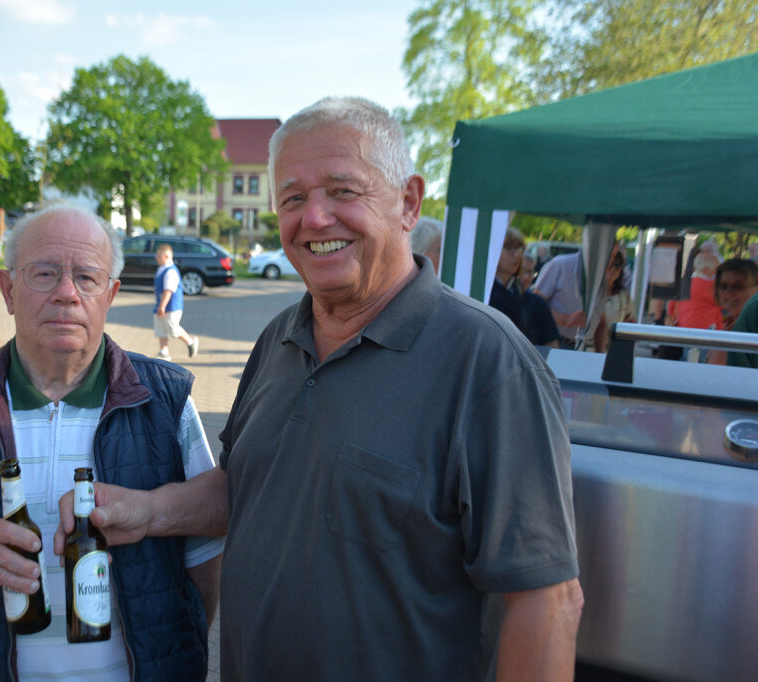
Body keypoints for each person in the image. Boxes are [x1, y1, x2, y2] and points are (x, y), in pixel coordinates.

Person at [61, 97, 583, 681]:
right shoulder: (279, 336)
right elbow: (247, 486)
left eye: (342, 191)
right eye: (292, 198)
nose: (314, 219)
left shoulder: (488, 366)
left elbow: (545, 600)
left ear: (408, 202)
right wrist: (148, 511)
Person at [0, 204, 223, 681]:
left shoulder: (165, 398)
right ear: (8, 290)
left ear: (111, 294)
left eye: (86, 277)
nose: (66, 294)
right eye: (44, 274)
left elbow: (211, 528)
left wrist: (179, 648)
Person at [584, 248, 636, 353]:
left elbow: (631, 324)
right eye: (610, 264)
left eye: (617, 265)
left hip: (613, 351)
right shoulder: (590, 292)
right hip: (587, 350)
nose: (612, 269)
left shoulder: (623, 296)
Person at [153, 243, 200, 359]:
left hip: (172, 306)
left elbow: (168, 291)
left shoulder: (170, 271)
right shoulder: (161, 269)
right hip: (162, 304)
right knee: (161, 328)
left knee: (172, 327)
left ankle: (191, 342)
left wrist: (162, 306)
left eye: (159, 256)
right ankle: (164, 352)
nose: (156, 258)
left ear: (167, 256)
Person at [534, 249, 587, 348]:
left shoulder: (608, 271)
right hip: (558, 342)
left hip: (585, 345)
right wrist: (566, 319)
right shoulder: (560, 264)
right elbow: (535, 305)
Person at [711, 258, 758, 367]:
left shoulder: (752, 329)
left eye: (738, 286)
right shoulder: (726, 324)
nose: (728, 293)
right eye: (723, 286)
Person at [666, 251, 722, 332]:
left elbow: (671, 304)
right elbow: (722, 303)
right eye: (715, 270)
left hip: (682, 325)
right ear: (707, 270)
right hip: (706, 328)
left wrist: (670, 316)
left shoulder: (683, 282)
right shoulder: (712, 286)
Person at [488, 227, 527, 330]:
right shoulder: (485, 287)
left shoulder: (517, 286)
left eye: (520, 249)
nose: (517, 255)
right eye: (510, 249)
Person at [519, 255, 561, 348]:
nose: (526, 277)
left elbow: (552, 343)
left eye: (530, 272)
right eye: (522, 271)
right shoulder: (496, 297)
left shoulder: (538, 303)